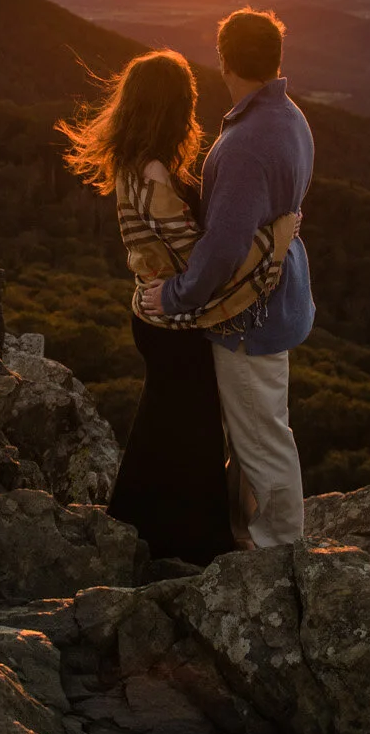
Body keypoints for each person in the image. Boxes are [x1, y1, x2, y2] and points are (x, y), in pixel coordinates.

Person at [141, 9, 314, 549]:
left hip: (247, 316)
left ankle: (279, 551)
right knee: (256, 432)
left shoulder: (245, 143)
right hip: (276, 297)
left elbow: (222, 247)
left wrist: (175, 296)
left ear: (224, 60)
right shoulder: (289, 117)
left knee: (261, 439)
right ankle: (249, 534)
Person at [56, 49, 237, 563]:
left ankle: (139, 526)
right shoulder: (157, 170)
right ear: (174, 108)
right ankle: (196, 544)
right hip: (176, 319)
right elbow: (192, 251)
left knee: (164, 421)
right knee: (196, 428)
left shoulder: (130, 163)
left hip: (149, 314)